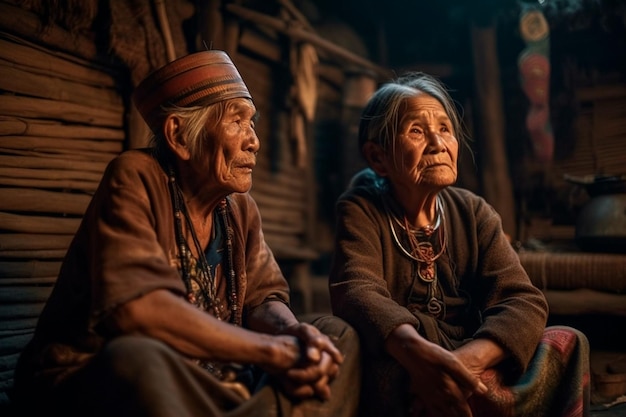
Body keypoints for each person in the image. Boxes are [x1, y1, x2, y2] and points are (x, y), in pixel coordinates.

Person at [12, 50, 360, 417]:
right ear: (179, 136)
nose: (253, 140)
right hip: (99, 380)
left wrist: (294, 336)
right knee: (137, 358)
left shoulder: (239, 208)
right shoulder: (135, 177)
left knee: (334, 336)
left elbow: (263, 299)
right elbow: (136, 313)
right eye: (237, 122)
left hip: (214, 381)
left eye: (252, 123)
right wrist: (271, 352)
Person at [328, 72, 590, 417]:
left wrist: (465, 363)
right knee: (367, 368)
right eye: (417, 131)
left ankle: (456, 394)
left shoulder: (473, 211)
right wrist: (421, 357)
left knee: (568, 342)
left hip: (472, 358)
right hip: (408, 360)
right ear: (379, 158)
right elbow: (357, 291)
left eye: (445, 129)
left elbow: (522, 300)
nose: (438, 143)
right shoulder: (361, 208)